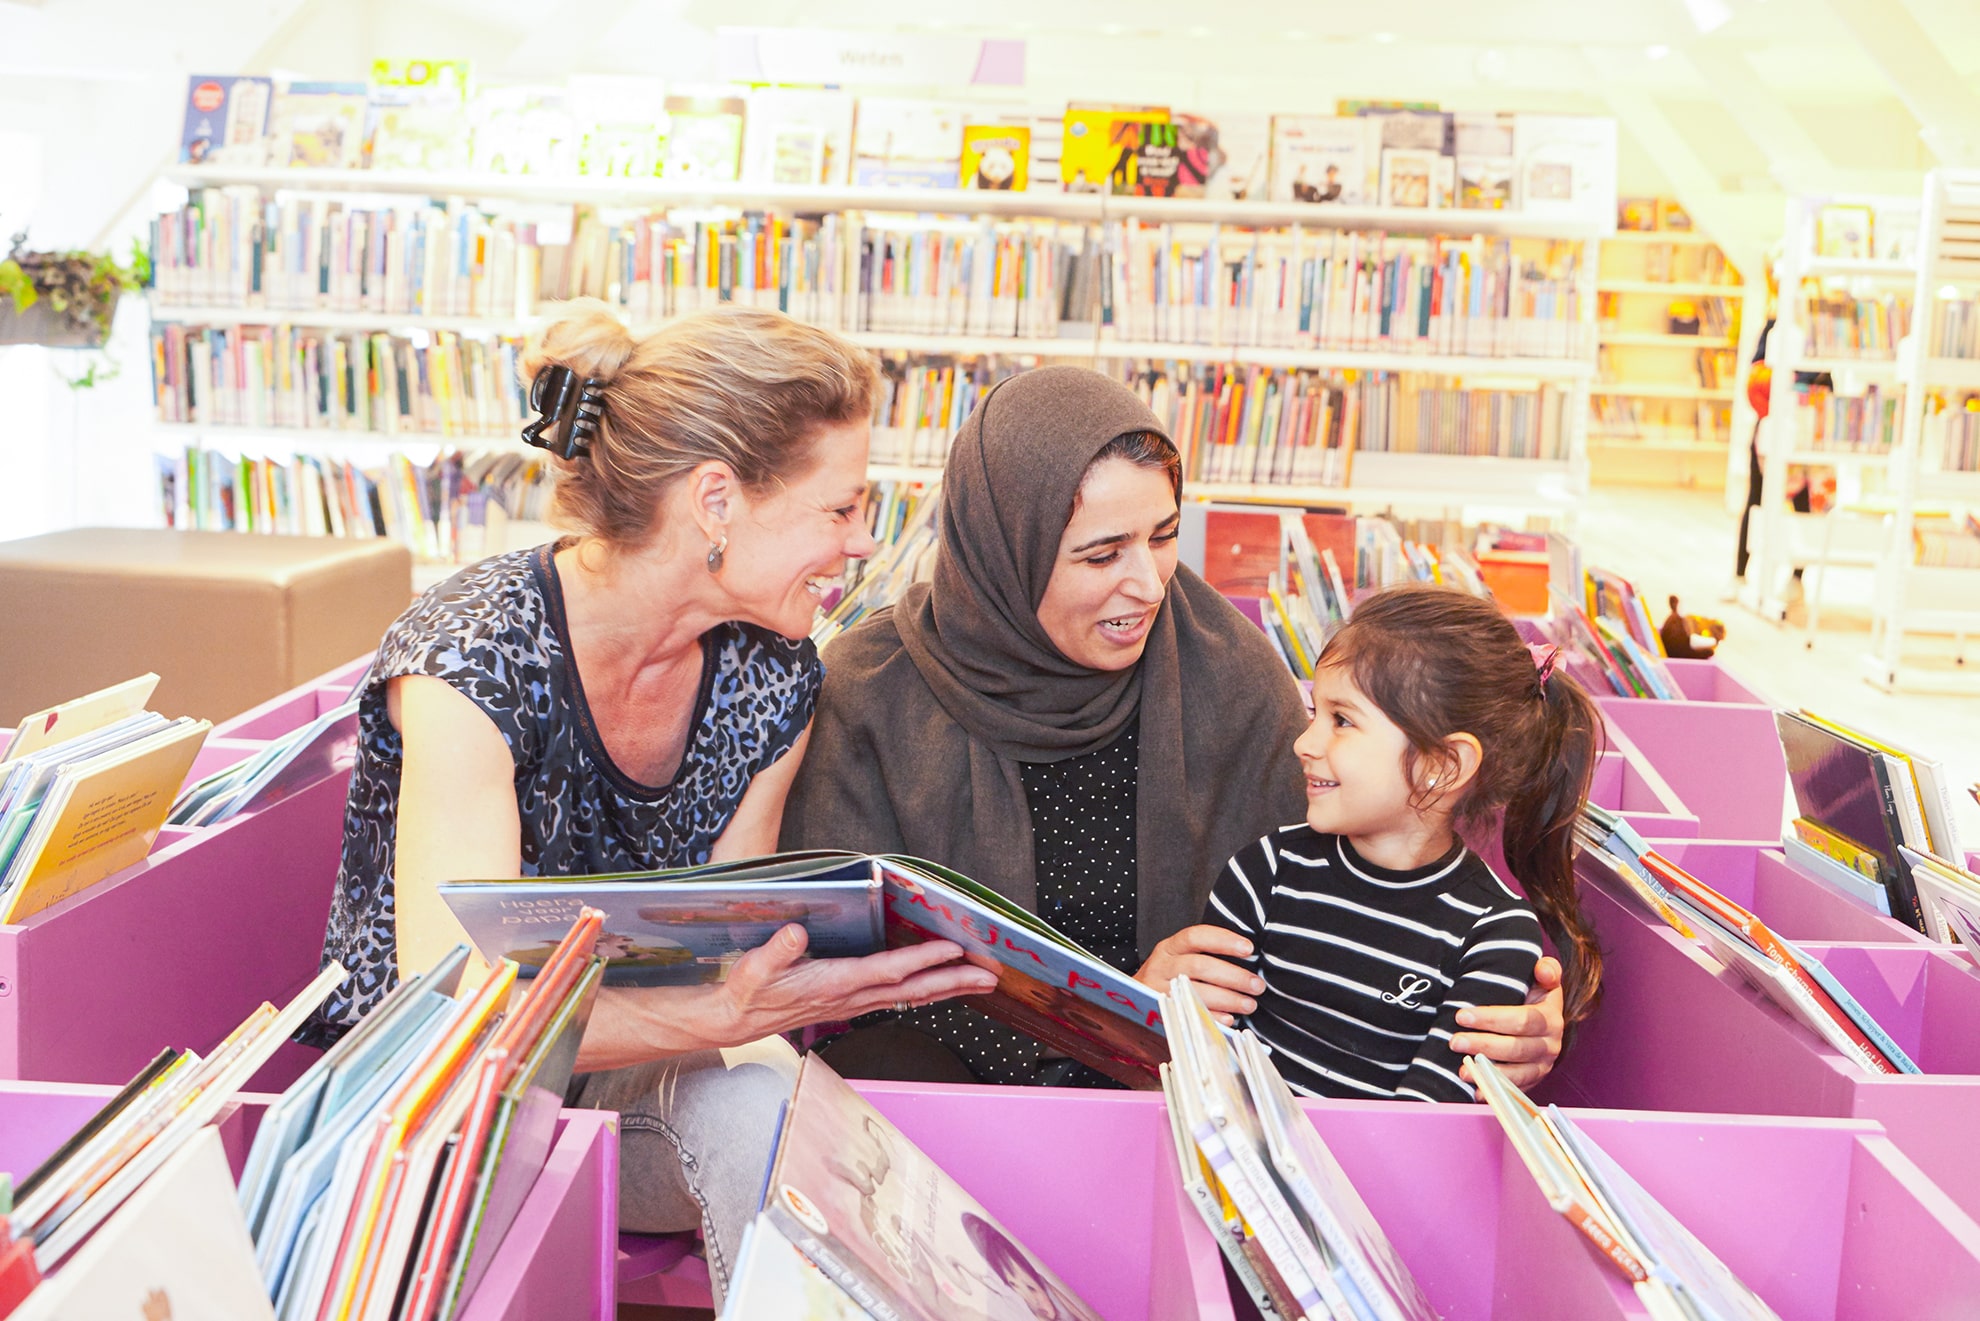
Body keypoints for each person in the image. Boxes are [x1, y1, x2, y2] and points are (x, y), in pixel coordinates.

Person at [302, 302, 998, 1304]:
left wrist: (799, 999)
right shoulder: (471, 655)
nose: (861, 542)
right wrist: (727, 1009)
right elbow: (452, 1009)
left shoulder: (774, 672)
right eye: (839, 508)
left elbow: (724, 946)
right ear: (716, 497)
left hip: (625, 1079)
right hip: (445, 1110)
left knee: (781, 1110)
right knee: (756, 1095)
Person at [781, 366, 1566, 1089]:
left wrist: (1497, 1021)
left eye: (1163, 536)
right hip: (940, 1117)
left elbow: (1362, 898)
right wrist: (1117, 1013)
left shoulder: (1227, 673)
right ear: (1003, 551)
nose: (1148, 583)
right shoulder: (871, 694)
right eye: (1100, 554)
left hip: (1187, 1107)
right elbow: (841, 990)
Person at [1151, 585, 1604, 1102]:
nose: (1305, 742)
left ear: (1442, 766)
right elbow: (1199, 1056)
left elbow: (1425, 1125)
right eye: (1314, 712)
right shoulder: (1266, 872)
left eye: (1341, 720)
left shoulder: (1493, 934)